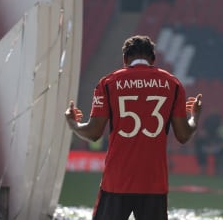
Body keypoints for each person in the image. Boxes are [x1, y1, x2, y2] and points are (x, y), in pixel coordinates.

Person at [65, 35, 202, 220]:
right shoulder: (173, 84)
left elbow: (93, 133)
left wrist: (73, 123)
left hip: (117, 181)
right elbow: (184, 135)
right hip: (154, 182)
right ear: (153, 59)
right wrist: (195, 116)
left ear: (125, 59)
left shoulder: (108, 83)